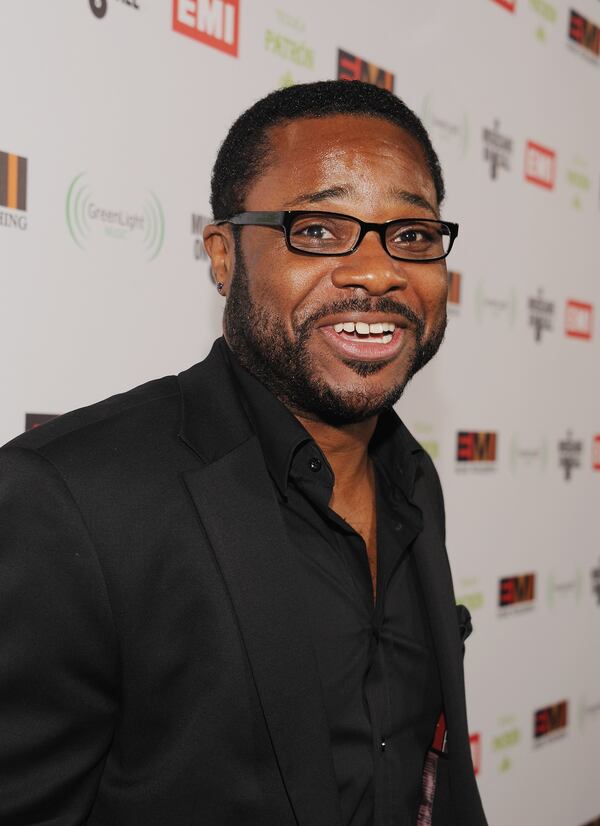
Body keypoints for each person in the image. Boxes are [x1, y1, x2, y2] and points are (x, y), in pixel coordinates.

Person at [0, 80, 487, 826]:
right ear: (224, 256)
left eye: (412, 236)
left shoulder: (413, 479)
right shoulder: (71, 498)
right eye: (319, 230)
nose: (378, 270)